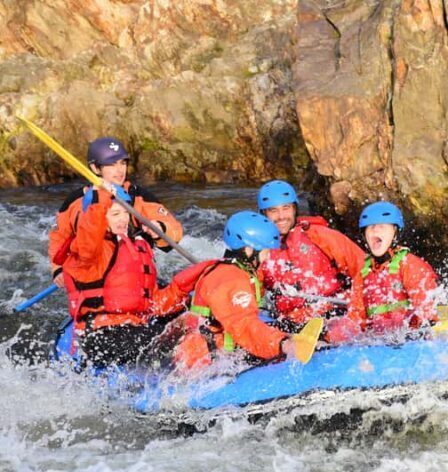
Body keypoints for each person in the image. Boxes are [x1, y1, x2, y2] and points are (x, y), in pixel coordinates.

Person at [57, 184, 198, 367]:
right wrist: (100, 200)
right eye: (115, 214)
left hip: (131, 328)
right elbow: (89, 231)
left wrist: (191, 284)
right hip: (102, 335)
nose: (123, 219)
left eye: (125, 213)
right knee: (173, 341)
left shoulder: (132, 246)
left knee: (192, 321)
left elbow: (153, 303)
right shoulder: (88, 251)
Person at [49, 136, 183, 288]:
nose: (120, 170)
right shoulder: (74, 203)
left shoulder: (139, 197)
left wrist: (161, 229)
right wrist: (58, 269)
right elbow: (59, 238)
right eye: (111, 165)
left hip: (134, 275)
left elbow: (175, 231)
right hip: (94, 279)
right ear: (95, 168)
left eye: (123, 163)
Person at [172, 212, 299, 371]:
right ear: (248, 251)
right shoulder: (231, 279)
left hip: (219, 350)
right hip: (207, 362)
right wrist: (283, 344)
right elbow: (244, 327)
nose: (267, 258)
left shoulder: (237, 271)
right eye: (265, 251)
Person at [256, 180, 365, 337]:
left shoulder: (321, 236)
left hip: (334, 312)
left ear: (294, 209)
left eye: (286, 208)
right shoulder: (259, 250)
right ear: (264, 214)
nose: (281, 217)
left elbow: (365, 269)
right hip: (291, 320)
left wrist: (357, 310)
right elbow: (250, 294)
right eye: (273, 211)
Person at [348, 201, 439, 334]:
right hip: (380, 342)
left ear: (395, 233)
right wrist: (329, 336)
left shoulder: (410, 265)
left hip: (411, 339)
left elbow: (427, 307)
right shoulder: (363, 273)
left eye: (382, 226)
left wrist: (428, 325)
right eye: (370, 227)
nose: (375, 229)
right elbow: (355, 319)